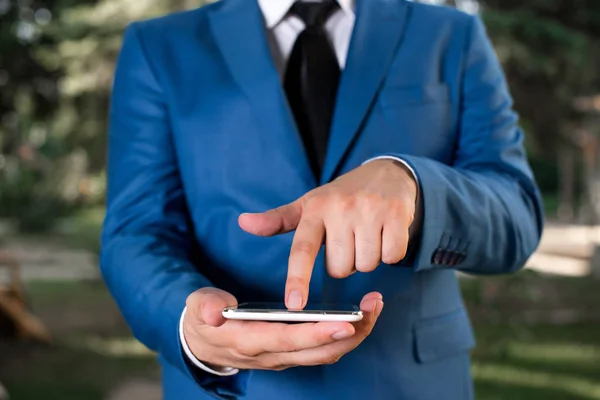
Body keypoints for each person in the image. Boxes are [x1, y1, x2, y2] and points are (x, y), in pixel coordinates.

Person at [100, 0, 544, 399]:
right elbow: (136, 231)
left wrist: (418, 189)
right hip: (236, 388)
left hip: (410, 385)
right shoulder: (159, 47)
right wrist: (189, 324)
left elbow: (517, 214)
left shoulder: (453, 36)